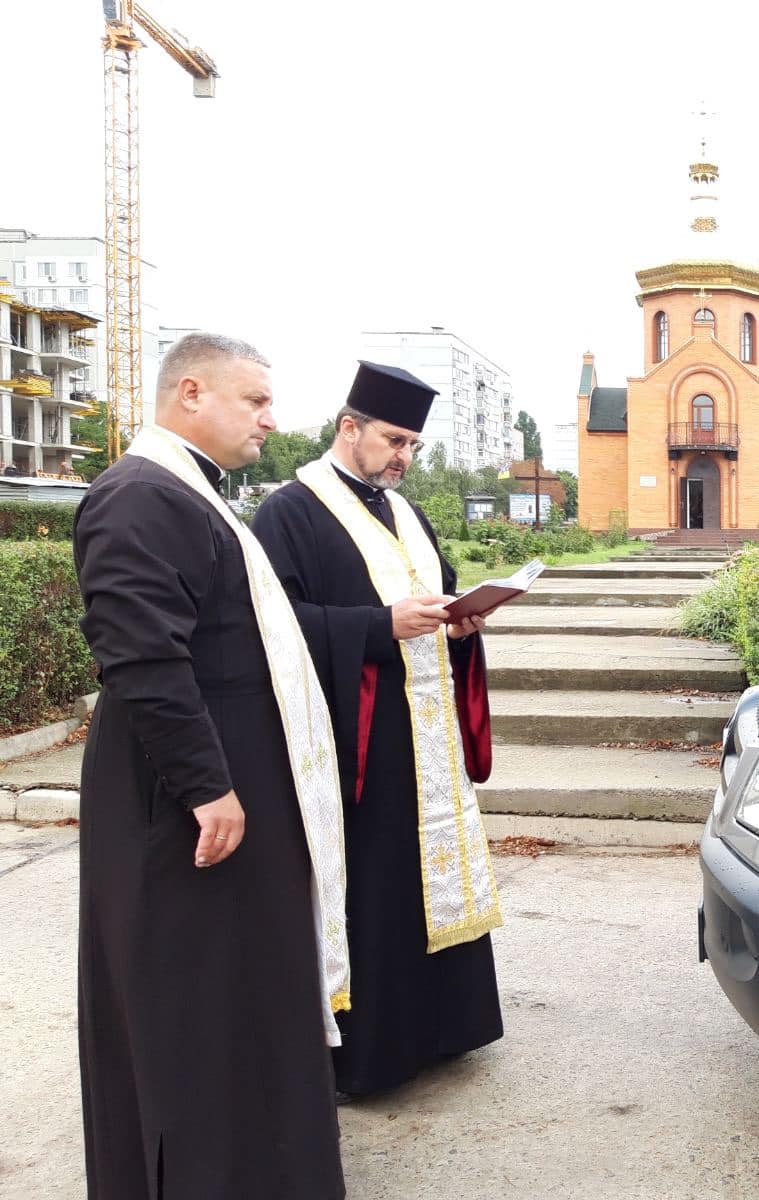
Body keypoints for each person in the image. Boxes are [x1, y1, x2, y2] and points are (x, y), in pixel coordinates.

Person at [73, 333, 348, 1198]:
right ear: (190, 393)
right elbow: (141, 660)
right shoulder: (137, 498)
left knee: (242, 1001)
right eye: (255, 401)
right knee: (185, 1007)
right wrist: (207, 786)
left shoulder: (190, 492)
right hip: (183, 809)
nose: (272, 419)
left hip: (227, 790)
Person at [252, 361, 503, 1099]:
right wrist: (376, 627)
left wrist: (463, 623)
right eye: (394, 441)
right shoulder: (290, 512)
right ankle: (373, 1053)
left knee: (429, 878)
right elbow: (271, 625)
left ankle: (442, 1030)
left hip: (424, 732)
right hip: (354, 738)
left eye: (414, 447)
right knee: (377, 888)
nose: (403, 458)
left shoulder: (406, 513)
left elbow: (436, 596)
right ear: (348, 428)